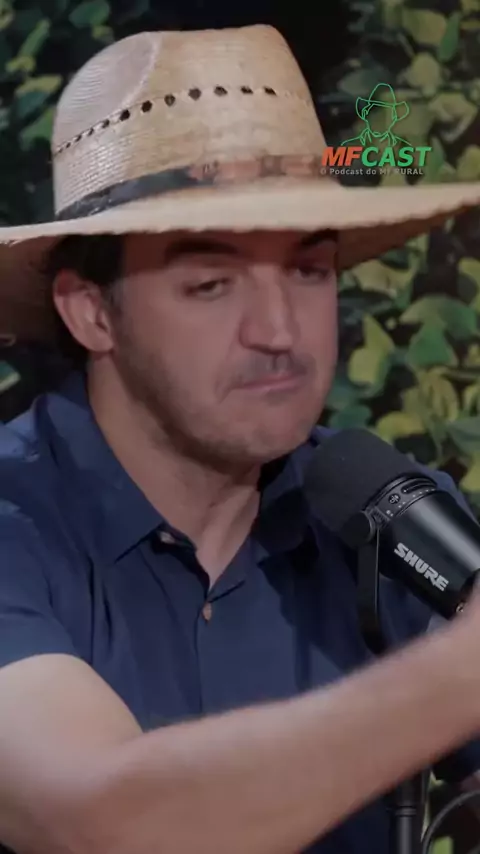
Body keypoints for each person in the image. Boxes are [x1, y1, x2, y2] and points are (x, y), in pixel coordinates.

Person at [1, 24, 480, 854]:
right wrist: (455, 678)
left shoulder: (385, 519)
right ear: (91, 313)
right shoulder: (16, 522)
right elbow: (101, 820)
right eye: (211, 283)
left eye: (309, 271)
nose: (279, 331)